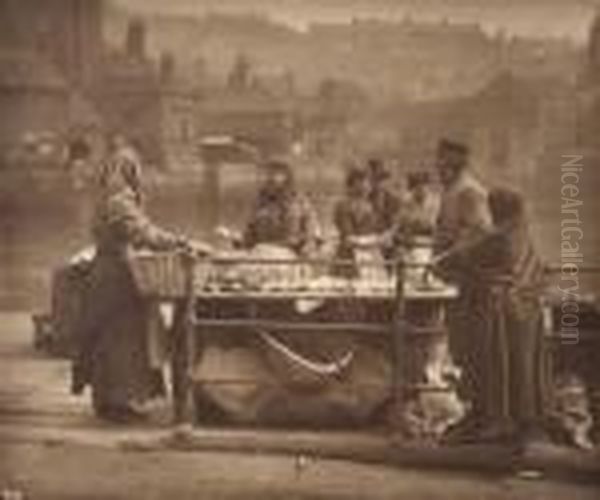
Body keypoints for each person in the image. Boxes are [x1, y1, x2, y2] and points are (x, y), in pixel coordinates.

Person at [72, 136, 196, 423]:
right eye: (132, 168)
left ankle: (108, 401)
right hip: (118, 276)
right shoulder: (120, 199)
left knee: (107, 338)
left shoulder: (107, 196)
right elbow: (142, 233)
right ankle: (121, 404)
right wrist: (178, 241)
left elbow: (139, 231)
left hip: (106, 273)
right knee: (123, 339)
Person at [466, 188, 548, 445]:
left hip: (507, 311)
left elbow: (463, 257)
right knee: (525, 366)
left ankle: (503, 422)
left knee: (504, 364)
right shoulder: (523, 233)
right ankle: (528, 422)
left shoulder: (498, 237)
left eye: (492, 208)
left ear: (499, 209)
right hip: (530, 308)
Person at [433, 138, 493, 440]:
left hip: (471, 285)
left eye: (442, 162)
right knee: (459, 346)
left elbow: (480, 234)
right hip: (455, 283)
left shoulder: (469, 191)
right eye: (438, 160)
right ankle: (473, 413)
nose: (437, 166)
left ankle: (478, 416)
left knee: (471, 348)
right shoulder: (451, 190)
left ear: (455, 163)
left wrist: (447, 256)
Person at [243, 159, 321, 255]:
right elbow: (249, 233)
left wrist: (308, 244)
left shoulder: (300, 202)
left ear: (287, 177)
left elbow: (312, 231)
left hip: (290, 255)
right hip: (261, 255)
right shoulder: (258, 203)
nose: (271, 178)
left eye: (277, 174)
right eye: (268, 173)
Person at [333, 166, 379, 278]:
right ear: (355, 185)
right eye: (364, 182)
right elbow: (347, 234)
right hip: (349, 254)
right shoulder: (343, 205)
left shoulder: (369, 206)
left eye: (368, 183)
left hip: (369, 253)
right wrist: (372, 239)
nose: (368, 186)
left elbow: (372, 229)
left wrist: (376, 239)